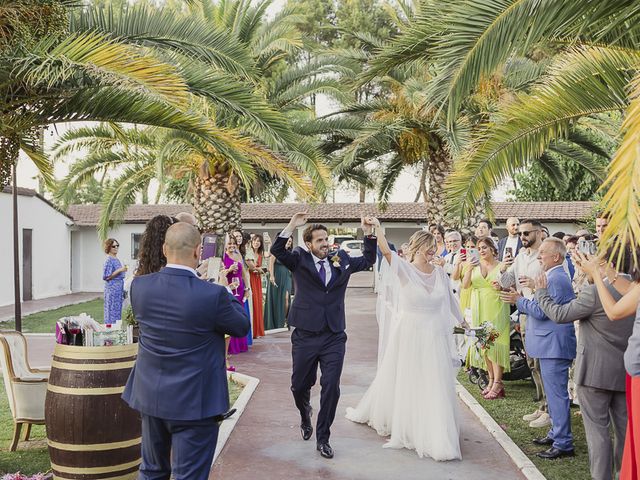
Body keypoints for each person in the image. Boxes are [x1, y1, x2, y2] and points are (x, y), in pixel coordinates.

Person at [122, 222, 250, 480]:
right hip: (196, 401)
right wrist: (223, 287)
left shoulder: (140, 287)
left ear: (164, 249)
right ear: (198, 252)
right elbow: (241, 326)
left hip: (152, 395)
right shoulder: (213, 295)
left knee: (151, 470)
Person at [346, 224, 463, 460]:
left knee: (434, 381)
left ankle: (435, 428)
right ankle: (407, 423)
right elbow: (386, 252)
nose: (433, 253)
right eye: (429, 249)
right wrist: (377, 229)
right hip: (410, 332)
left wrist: (465, 323)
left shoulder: (440, 272)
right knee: (409, 379)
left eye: (434, 248)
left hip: (434, 335)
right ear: (418, 247)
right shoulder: (404, 270)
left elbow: (450, 301)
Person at [270, 212, 376, 459]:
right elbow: (277, 250)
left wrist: (368, 231)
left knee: (331, 386)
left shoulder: (342, 258)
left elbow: (370, 258)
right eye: (319, 240)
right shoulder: (299, 258)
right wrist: (291, 224)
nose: (325, 244)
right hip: (305, 334)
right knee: (299, 386)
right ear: (309, 244)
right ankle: (305, 412)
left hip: (334, 335)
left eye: (326, 239)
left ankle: (323, 438)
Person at [534, 250, 635, 480]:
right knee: (623, 431)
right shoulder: (632, 288)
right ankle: (623, 474)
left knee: (598, 432)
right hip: (623, 372)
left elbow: (560, 314)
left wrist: (541, 293)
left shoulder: (595, 293)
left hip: (593, 374)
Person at [500, 238, 576, 459]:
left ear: (556, 257)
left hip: (554, 346)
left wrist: (519, 300)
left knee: (557, 395)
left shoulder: (558, 278)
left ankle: (563, 443)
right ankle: (556, 433)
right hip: (548, 344)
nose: (538, 255)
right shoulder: (550, 276)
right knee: (553, 396)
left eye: (543, 252)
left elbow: (544, 311)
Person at [576, 251, 640, 480]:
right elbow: (630, 292)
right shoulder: (636, 288)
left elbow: (614, 311)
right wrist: (608, 273)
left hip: (636, 373)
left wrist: (596, 274)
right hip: (629, 371)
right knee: (628, 433)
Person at [499, 219, 550, 427]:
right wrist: (502, 270)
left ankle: (549, 408)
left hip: (540, 313)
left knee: (541, 362)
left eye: (526, 233)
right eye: (520, 234)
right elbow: (506, 282)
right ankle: (541, 404)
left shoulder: (548, 255)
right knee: (531, 362)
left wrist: (534, 287)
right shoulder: (520, 256)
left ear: (539, 233)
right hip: (523, 313)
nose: (522, 237)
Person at [463, 237, 510, 400]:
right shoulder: (474, 265)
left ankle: (498, 382)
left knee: (495, 345)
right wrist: (468, 268)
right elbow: (465, 285)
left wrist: (501, 286)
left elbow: (510, 286)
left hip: (496, 307)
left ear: (493, 249)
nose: (481, 250)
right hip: (479, 309)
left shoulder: (502, 265)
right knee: (484, 347)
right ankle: (491, 381)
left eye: (485, 247)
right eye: (479, 248)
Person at [222, 236, 251, 357]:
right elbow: (221, 273)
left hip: (239, 288)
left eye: (233, 244)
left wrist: (248, 288)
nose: (232, 246)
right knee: (231, 314)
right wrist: (229, 270)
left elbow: (244, 273)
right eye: (229, 244)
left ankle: (240, 344)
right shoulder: (222, 257)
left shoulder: (238, 255)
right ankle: (230, 346)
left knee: (240, 313)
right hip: (229, 287)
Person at [264, 237, 294, 330]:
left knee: (286, 298)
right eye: (287, 241)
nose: (288, 243)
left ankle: (284, 320)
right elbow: (271, 263)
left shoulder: (290, 253)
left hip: (287, 277)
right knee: (276, 299)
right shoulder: (277, 250)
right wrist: (272, 276)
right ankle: (276, 321)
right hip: (276, 276)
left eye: (290, 242)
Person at [102, 238, 127, 325]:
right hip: (112, 289)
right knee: (112, 309)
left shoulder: (116, 259)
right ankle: (111, 327)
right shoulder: (109, 260)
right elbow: (107, 277)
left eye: (117, 245)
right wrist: (120, 270)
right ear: (109, 247)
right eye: (113, 246)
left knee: (117, 310)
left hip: (118, 289)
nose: (116, 247)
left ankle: (116, 326)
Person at [246, 235, 266, 338]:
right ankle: (252, 331)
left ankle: (257, 330)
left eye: (258, 241)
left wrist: (260, 270)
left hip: (257, 279)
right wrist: (256, 269)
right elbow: (249, 266)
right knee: (252, 302)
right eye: (255, 241)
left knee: (258, 302)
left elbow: (263, 268)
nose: (256, 243)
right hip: (250, 278)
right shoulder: (248, 252)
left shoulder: (261, 254)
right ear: (251, 242)